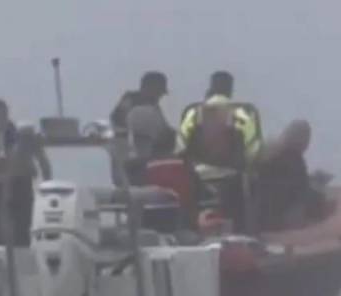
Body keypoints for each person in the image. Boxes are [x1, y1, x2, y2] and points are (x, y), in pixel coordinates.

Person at [176, 71, 262, 232]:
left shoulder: (192, 113)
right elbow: (253, 150)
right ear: (230, 90)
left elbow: (180, 147)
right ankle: (246, 230)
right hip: (234, 177)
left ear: (211, 87)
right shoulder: (242, 114)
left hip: (197, 176)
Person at [0, 99, 50, 246]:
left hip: (20, 191)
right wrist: (3, 177)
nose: (0, 120)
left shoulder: (15, 134)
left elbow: (34, 164)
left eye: (3, 115)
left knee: (22, 216)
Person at [254, 119, 324, 230]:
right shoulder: (294, 160)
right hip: (279, 215)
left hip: (261, 212)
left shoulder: (269, 152)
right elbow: (299, 187)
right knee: (316, 198)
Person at [111, 71, 176, 184]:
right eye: (158, 91)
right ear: (149, 87)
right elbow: (118, 118)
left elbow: (163, 129)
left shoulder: (154, 106)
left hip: (148, 160)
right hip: (132, 162)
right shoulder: (131, 100)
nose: (160, 96)